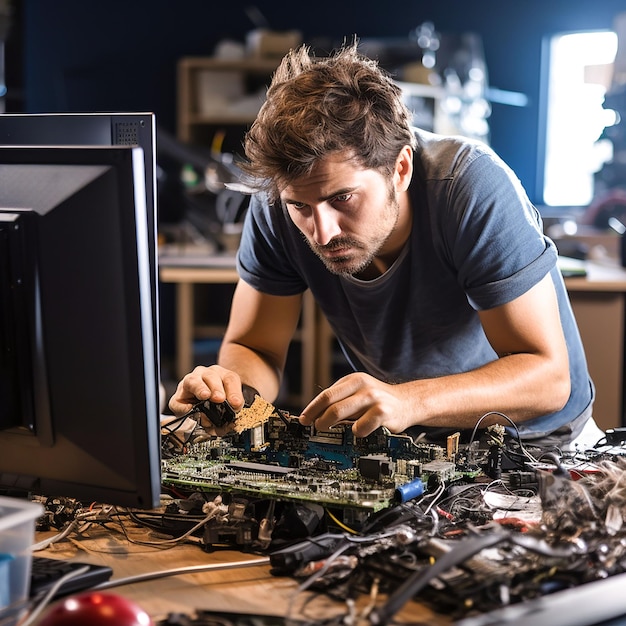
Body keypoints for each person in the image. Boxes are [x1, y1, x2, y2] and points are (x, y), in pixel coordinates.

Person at [168, 40, 599, 448]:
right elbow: (255, 348)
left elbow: (547, 380)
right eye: (300, 206)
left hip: (542, 444)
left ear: (401, 169)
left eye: (342, 198)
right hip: (411, 445)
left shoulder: (470, 187)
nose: (323, 232)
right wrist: (229, 392)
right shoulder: (277, 205)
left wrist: (409, 400)